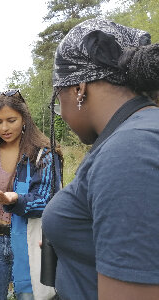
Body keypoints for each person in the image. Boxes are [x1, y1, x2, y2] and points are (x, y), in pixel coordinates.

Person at [42, 18, 159, 300]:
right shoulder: (138, 132)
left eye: (59, 100)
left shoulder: (130, 151)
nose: (63, 113)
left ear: (79, 89)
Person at [0, 89, 62, 300]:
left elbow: (47, 200)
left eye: (11, 120)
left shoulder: (43, 153)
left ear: (24, 118)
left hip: (29, 241)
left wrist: (16, 200)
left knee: (30, 296)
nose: (4, 128)